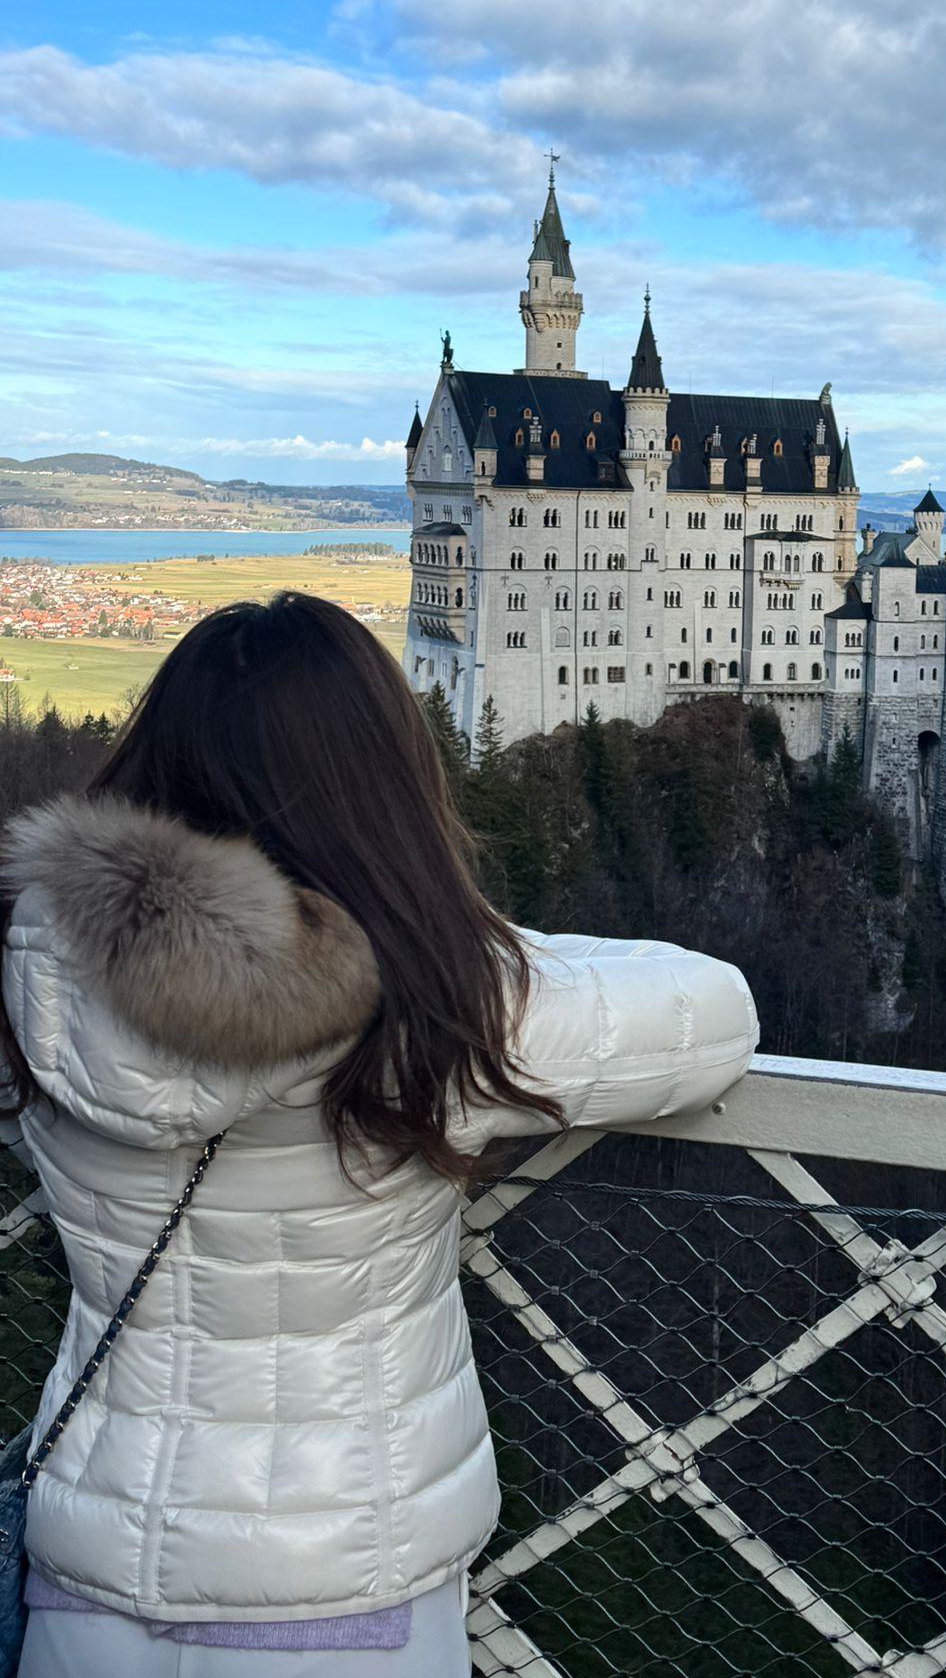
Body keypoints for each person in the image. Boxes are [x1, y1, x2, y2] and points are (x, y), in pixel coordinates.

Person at [0, 593, 758, 1676]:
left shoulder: (42, 970)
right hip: (347, 1584)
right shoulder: (435, 1007)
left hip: (90, 1578)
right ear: (379, 784)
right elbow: (714, 1011)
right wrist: (460, 933)